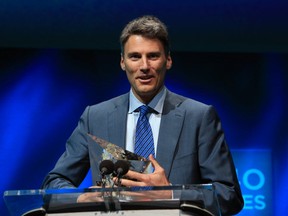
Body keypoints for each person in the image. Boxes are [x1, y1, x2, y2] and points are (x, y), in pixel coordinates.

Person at [41, 15, 243, 215]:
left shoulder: (199, 116)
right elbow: (54, 182)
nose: (144, 66)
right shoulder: (95, 117)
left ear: (168, 60)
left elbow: (229, 195)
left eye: (153, 56)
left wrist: (172, 193)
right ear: (123, 62)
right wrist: (81, 198)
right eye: (135, 56)